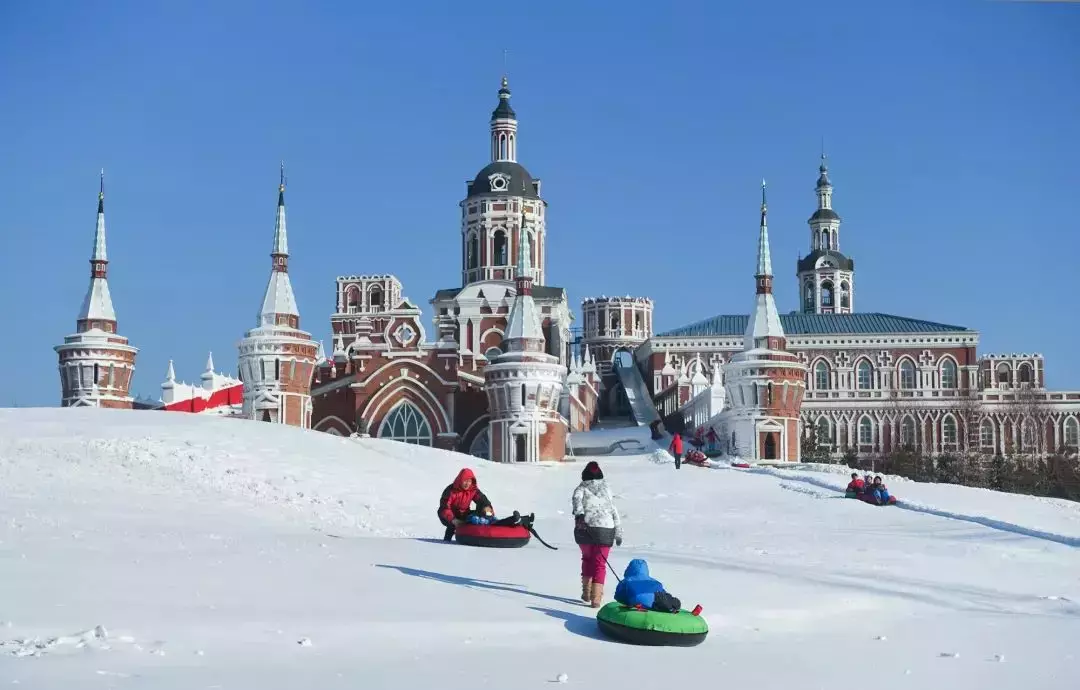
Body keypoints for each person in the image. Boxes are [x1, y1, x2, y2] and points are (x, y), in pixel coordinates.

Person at [572, 461, 622, 608]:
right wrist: (618, 532)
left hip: (585, 528)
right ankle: (596, 599)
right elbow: (613, 510)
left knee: (587, 559)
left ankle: (587, 593)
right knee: (600, 564)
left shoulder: (581, 488)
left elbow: (576, 501)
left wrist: (580, 515)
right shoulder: (606, 489)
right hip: (606, 529)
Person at [438, 468, 492, 542]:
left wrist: (487, 508)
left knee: (479, 513)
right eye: (465, 481)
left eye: (469, 481)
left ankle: (489, 522)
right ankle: (447, 541)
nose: (467, 484)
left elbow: (482, 500)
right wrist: (453, 520)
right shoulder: (451, 490)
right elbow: (445, 507)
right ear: (460, 480)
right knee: (452, 526)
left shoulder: (473, 490)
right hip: (448, 514)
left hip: (464, 513)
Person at [614, 558, 682, 613]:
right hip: (657, 599)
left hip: (640, 603)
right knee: (662, 597)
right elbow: (663, 592)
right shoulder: (655, 582)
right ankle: (670, 605)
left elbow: (618, 597)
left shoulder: (625, 582)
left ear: (629, 569)